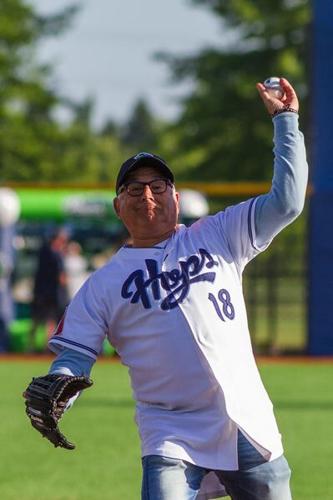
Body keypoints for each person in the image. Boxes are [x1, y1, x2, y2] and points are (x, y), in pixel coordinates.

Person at [26, 78, 308, 499]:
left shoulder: (219, 234)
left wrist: (286, 121)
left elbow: (287, 202)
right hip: (172, 431)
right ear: (119, 207)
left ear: (176, 198)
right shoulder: (102, 284)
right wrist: (60, 388)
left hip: (245, 419)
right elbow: (74, 356)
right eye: (134, 189)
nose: (148, 196)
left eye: (158, 187)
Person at [28, 229, 69, 352]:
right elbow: (62, 278)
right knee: (49, 320)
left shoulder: (43, 252)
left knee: (36, 320)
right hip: (51, 293)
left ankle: (30, 346)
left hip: (40, 292)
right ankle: (48, 348)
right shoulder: (56, 255)